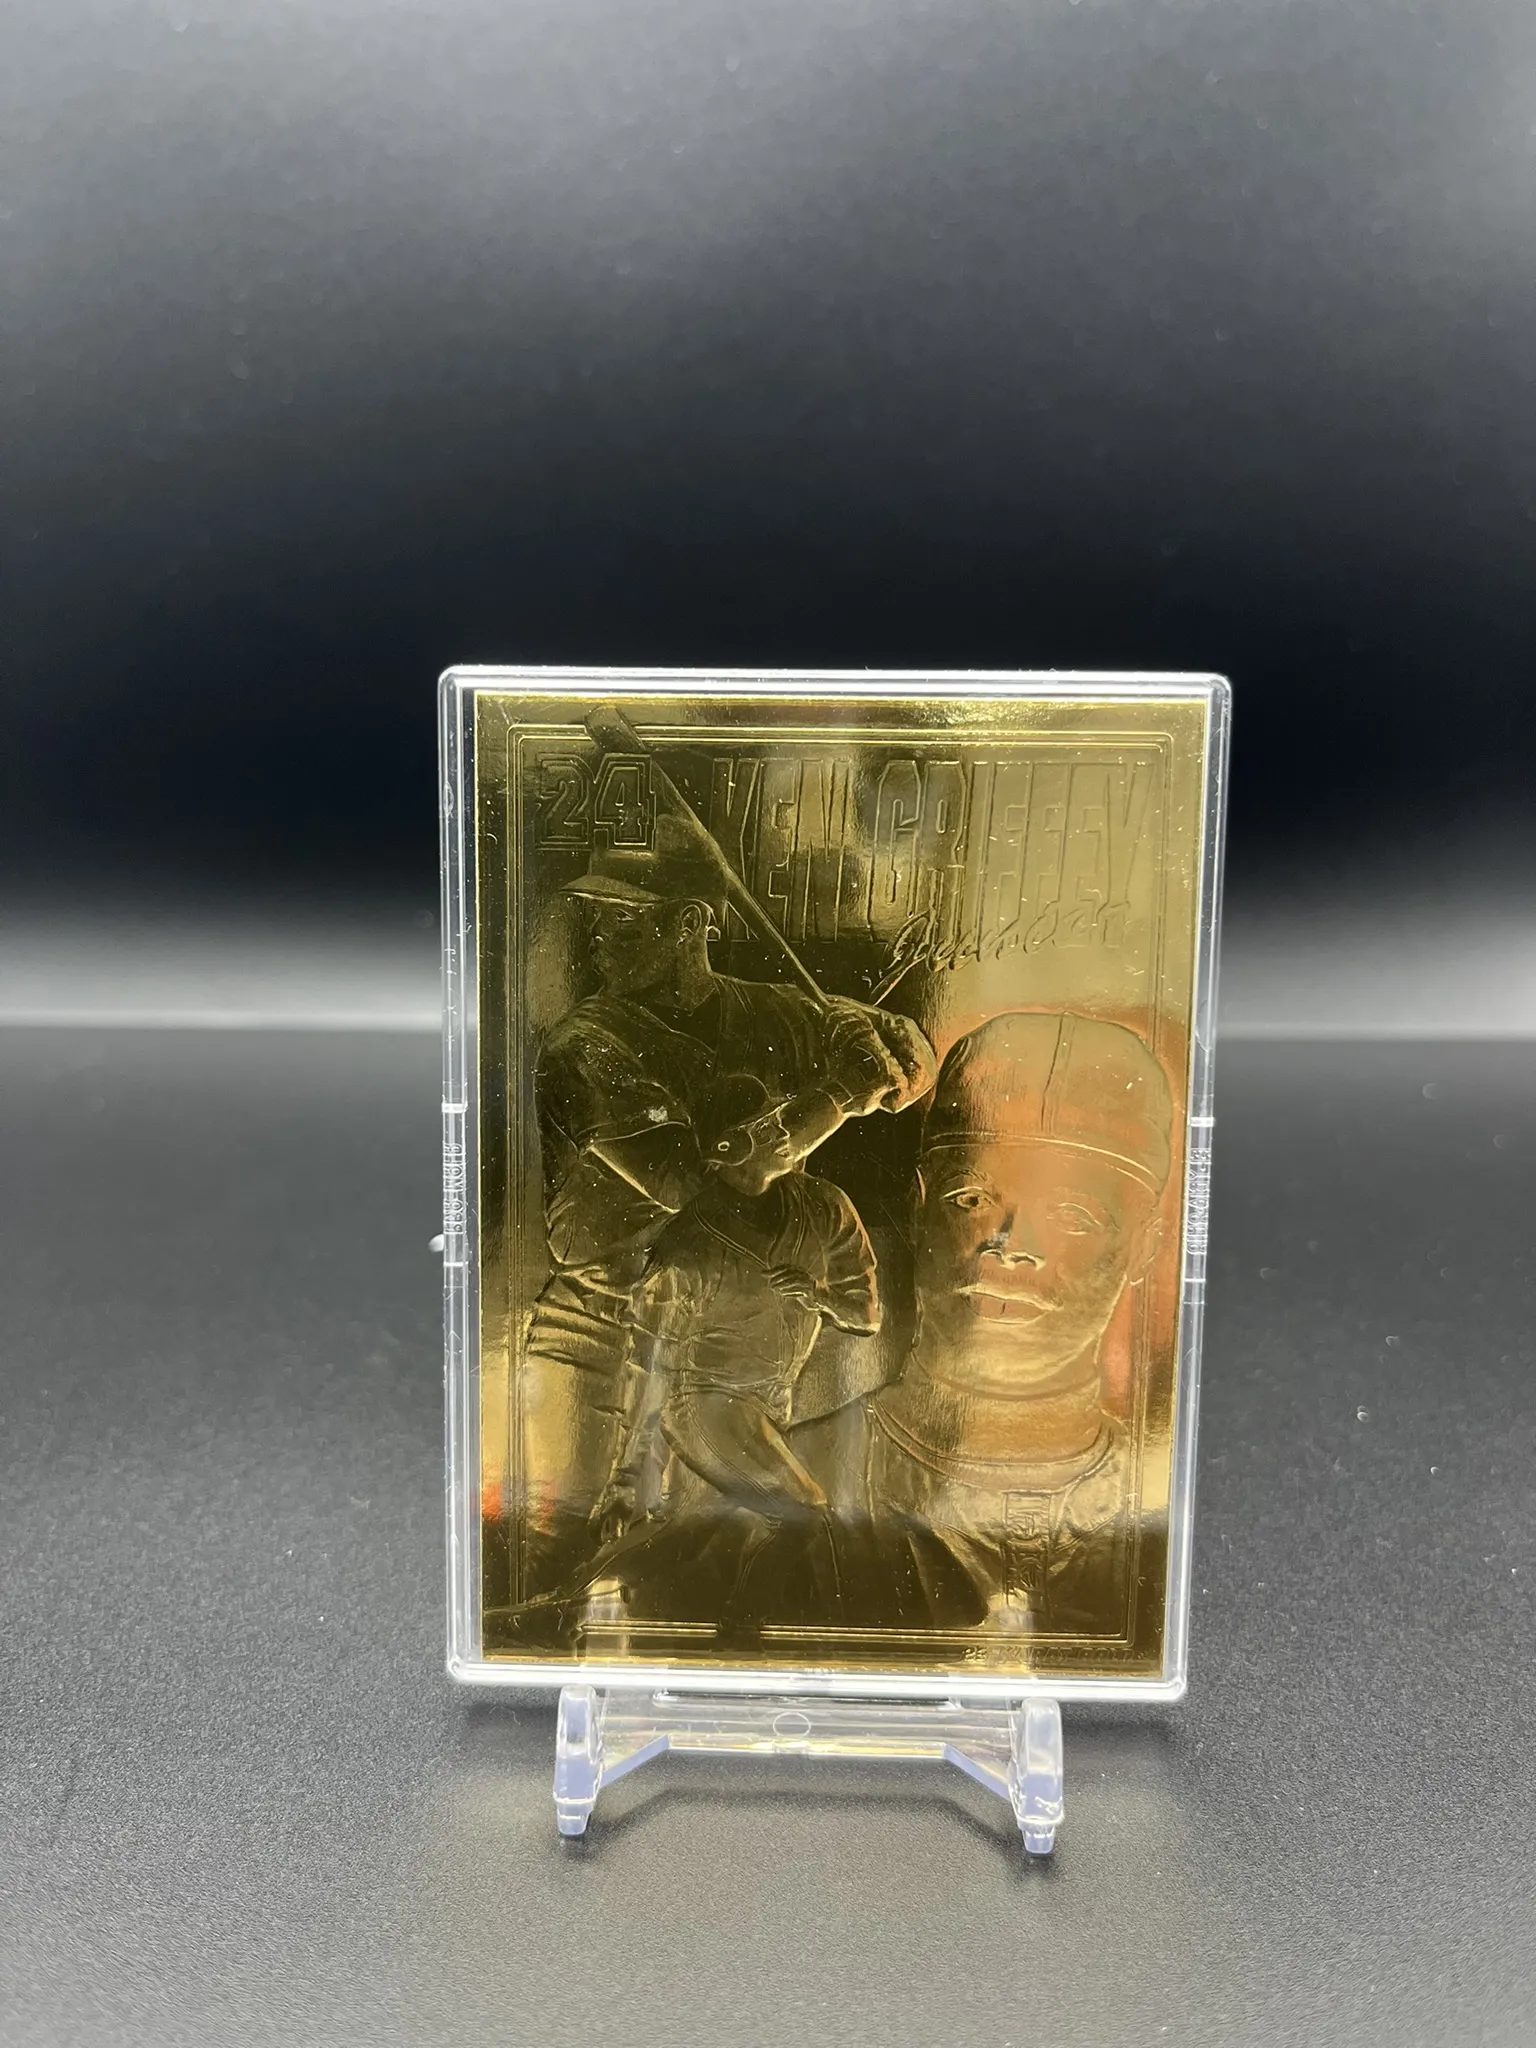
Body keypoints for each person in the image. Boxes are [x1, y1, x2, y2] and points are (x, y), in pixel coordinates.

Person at [515, 815, 936, 1598]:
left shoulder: (775, 1014)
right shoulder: (585, 1045)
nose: (601, 941)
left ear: (689, 925)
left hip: (741, 1350)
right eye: (598, 921)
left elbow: (913, 1058)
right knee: (558, 1557)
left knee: (693, 1581)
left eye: (626, 922)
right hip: (605, 1330)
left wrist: (895, 1047)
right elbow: (700, 1179)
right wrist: (838, 1093)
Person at [794, 1010, 1173, 1638]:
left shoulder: (1170, 1516)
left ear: (1143, 1247)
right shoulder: (788, 1487)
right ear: (917, 1208)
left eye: (1073, 1216)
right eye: (971, 1200)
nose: (1011, 1244)